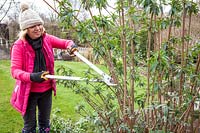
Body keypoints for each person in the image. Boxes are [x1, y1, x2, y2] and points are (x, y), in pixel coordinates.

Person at [10, 2, 77, 133]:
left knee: (45, 125)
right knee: (29, 127)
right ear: (25, 30)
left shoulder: (47, 39)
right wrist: (32, 76)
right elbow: (14, 71)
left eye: (39, 24)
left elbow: (65, 42)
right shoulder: (19, 45)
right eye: (32, 26)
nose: (37, 28)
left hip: (46, 90)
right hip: (28, 92)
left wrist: (71, 45)